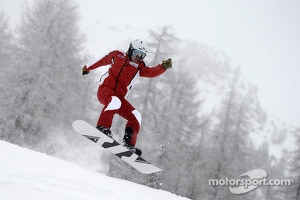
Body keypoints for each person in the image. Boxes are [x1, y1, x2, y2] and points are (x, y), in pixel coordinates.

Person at [82, 39, 172, 156]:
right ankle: (102, 128)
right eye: (136, 54)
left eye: (142, 56)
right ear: (130, 50)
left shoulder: (140, 66)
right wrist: (87, 68)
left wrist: (163, 67)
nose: (138, 58)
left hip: (119, 98)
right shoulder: (117, 55)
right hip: (105, 90)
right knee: (114, 101)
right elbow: (101, 60)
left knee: (136, 116)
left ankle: (129, 144)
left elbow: (151, 72)